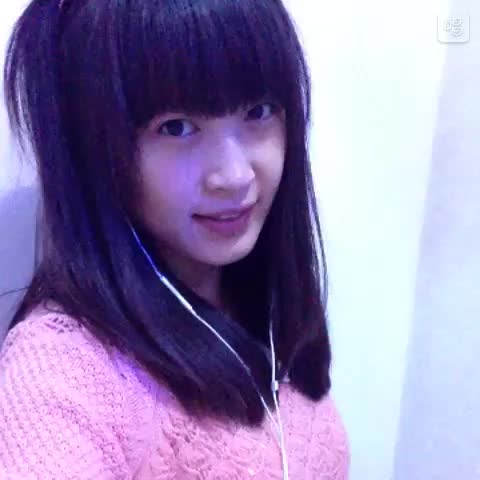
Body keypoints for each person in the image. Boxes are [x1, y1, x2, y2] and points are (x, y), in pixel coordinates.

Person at [0, 0, 350, 478]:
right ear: (96, 149)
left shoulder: (262, 310)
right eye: (177, 127)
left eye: (259, 111)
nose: (235, 175)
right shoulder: (62, 371)